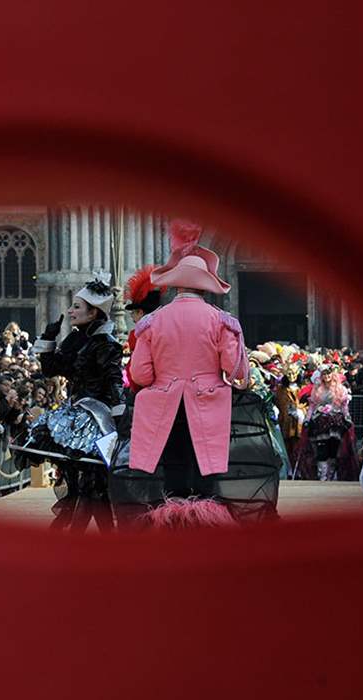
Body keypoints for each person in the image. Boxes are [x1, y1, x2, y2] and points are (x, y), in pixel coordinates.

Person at [115, 219, 251, 528]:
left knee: (173, 470)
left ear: (176, 282)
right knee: (207, 472)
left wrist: (167, 379)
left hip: (165, 408)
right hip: (209, 407)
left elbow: (141, 373)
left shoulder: (151, 323)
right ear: (205, 284)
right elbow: (235, 369)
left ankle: (172, 528)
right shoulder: (222, 321)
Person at [11, 272, 124, 533]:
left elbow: (114, 382)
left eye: (77, 306)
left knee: (91, 481)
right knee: (80, 480)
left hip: (97, 419)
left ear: (94, 313)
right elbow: (52, 370)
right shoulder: (75, 338)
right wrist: (48, 341)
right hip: (73, 414)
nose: (70, 311)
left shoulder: (106, 344)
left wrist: (119, 421)